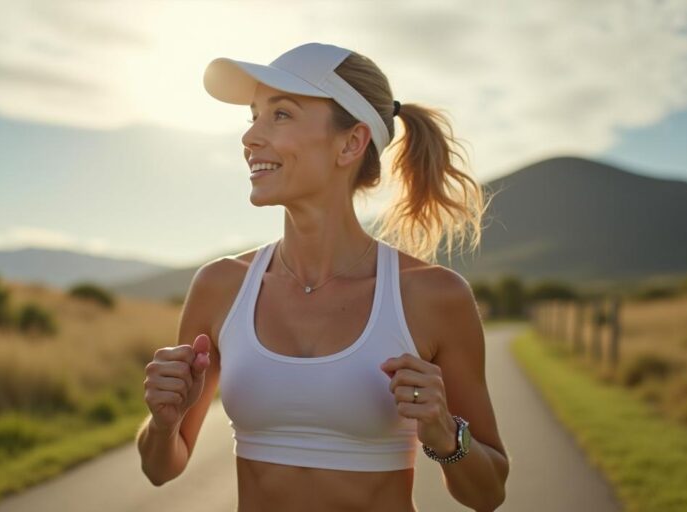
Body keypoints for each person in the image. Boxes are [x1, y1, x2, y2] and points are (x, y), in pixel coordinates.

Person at [137, 42, 508, 511]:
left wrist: (445, 432)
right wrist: (164, 424)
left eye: (282, 115)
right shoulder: (220, 286)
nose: (250, 137)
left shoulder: (433, 296)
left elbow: (489, 493)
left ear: (351, 142)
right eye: (252, 116)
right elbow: (160, 468)